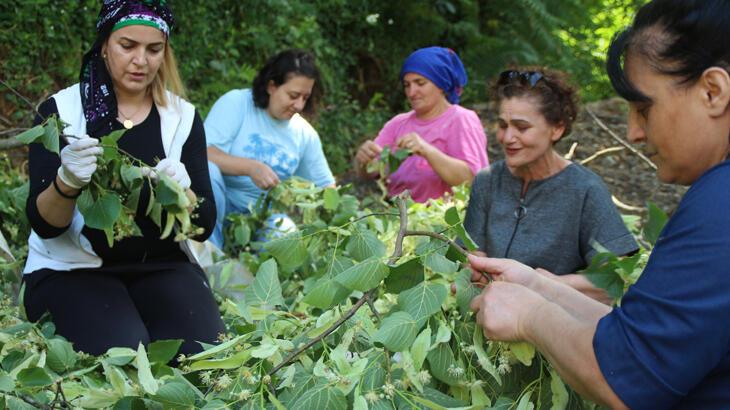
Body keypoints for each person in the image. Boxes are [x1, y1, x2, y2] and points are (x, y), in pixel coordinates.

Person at [469, 0, 730, 407]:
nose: (634, 131)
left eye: (644, 109)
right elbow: (632, 335)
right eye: (502, 125)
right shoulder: (488, 182)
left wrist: (530, 313)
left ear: (713, 92)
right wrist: (537, 285)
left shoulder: (719, 206)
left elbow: (629, 372)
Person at [23, 0, 224, 357]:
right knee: (125, 355)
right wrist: (66, 182)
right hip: (73, 269)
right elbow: (45, 225)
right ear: (104, 45)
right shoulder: (60, 113)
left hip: (161, 265)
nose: (141, 61)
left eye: (154, 49)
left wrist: (184, 192)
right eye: (128, 46)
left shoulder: (181, 118)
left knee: (203, 355)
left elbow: (203, 224)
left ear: (165, 53)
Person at [464, 68, 638, 304]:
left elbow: (618, 278)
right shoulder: (488, 181)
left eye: (521, 127)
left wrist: (539, 283)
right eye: (503, 125)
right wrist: (473, 267)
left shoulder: (584, 189)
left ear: (557, 128)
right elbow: (471, 251)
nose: (507, 137)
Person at [205, 50, 335, 249]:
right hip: (220, 207)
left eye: (305, 97)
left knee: (287, 237)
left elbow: (326, 187)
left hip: (262, 219)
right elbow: (203, 153)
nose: (299, 105)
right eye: (293, 95)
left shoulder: (304, 133)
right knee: (209, 171)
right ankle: (208, 256)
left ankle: (256, 270)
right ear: (271, 86)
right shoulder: (237, 104)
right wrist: (250, 167)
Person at [354, 46, 489, 202]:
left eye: (420, 83)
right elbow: (372, 172)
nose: (412, 92)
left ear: (441, 84)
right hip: (399, 220)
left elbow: (473, 181)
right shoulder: (398, 124)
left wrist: (426, 150)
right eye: (407, 85)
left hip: (445, 222)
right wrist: (363, 161)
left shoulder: (461, 119)